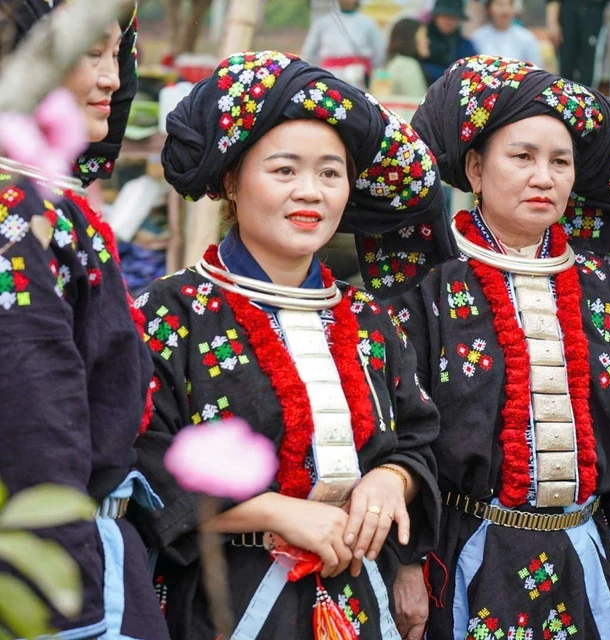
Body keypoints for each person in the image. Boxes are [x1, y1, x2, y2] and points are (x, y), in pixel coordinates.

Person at [133, 51, 449, 639]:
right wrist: (278, 511)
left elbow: (416, 438)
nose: (311, 192)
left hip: (357, 597)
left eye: (330, 173)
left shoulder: (371, 322)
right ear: (232, 180)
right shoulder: (169, 313)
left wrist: (391, 480)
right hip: (223, 598)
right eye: (284, 171)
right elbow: (146, 464)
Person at [392, 55, 610, 640]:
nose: (543, 177)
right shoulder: (431, 295)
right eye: (521, 157)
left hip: (585, 558)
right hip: (466, 554)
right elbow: (401, 437)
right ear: (474, 168)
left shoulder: (604, 291)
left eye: (560, 162)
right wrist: (408, 565)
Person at [0, 2, 170, 638]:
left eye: (115, 56)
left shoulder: (40, 204)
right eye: (88, 55)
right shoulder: (16, 216)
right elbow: (33, 416)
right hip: (61, 574)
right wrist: (68, 606)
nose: (113, 80)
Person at [301, 0, 385, 89]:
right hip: (330, 75)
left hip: (358, 76)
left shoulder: (368, 23)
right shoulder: (323, 23)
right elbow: (308, 53)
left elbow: (379, 52)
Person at [545, 0, 610, 88]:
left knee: (589, 70)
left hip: (592, 16)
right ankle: (564, 99)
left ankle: (588, 100)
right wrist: (552, 22)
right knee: (565, 69)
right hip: (566, 16)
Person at [470, 0, 542, 67]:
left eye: (509, 5)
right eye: (500, 5)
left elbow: (536, 69)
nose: (505, 11)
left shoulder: (526, 37)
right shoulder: (478, 37)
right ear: (489, 8)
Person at [422, 0, 476, 85]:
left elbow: (471, 73)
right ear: (436, 16)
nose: (449, 22)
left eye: (454, 17)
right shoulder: (422, 40)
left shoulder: (465, 45)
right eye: (445, 16)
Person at [383, 17, 430, 98]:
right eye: (424, 36)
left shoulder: (397, 62)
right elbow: (417, 103)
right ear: (411, 38)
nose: (428, 41)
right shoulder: (407, 65)